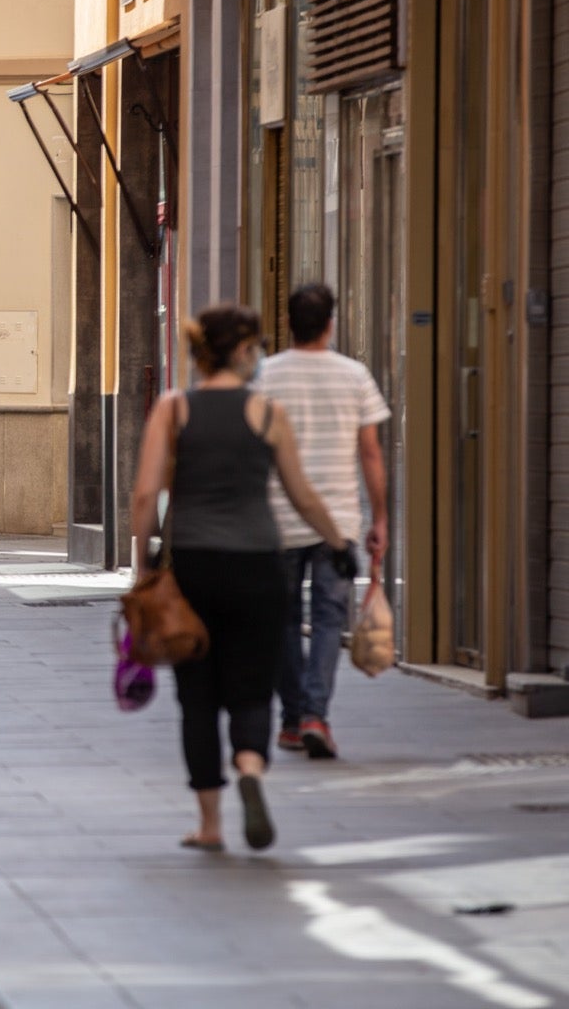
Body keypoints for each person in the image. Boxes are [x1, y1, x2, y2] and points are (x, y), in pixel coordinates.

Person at [129, 303, 350, 853]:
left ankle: (209, 825)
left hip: (193, 569)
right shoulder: (268, 412)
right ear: (246, 351)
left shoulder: (174, 409)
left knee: (198, 695)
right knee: (253, 683)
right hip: (259, 566)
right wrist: (338, 543)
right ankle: (250, 766)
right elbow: (301, 495)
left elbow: (144, 494)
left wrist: (142, 566)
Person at [258, 284, 390, 760]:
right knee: (330, 618)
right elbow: (370, 453)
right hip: (338, 521)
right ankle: (315, 715)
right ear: (330, 324)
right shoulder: (354, 376)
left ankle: (292, 720)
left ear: (288, 323)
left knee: (284, 619)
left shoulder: (265, 376)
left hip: (279, 519)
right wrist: (380, 518)